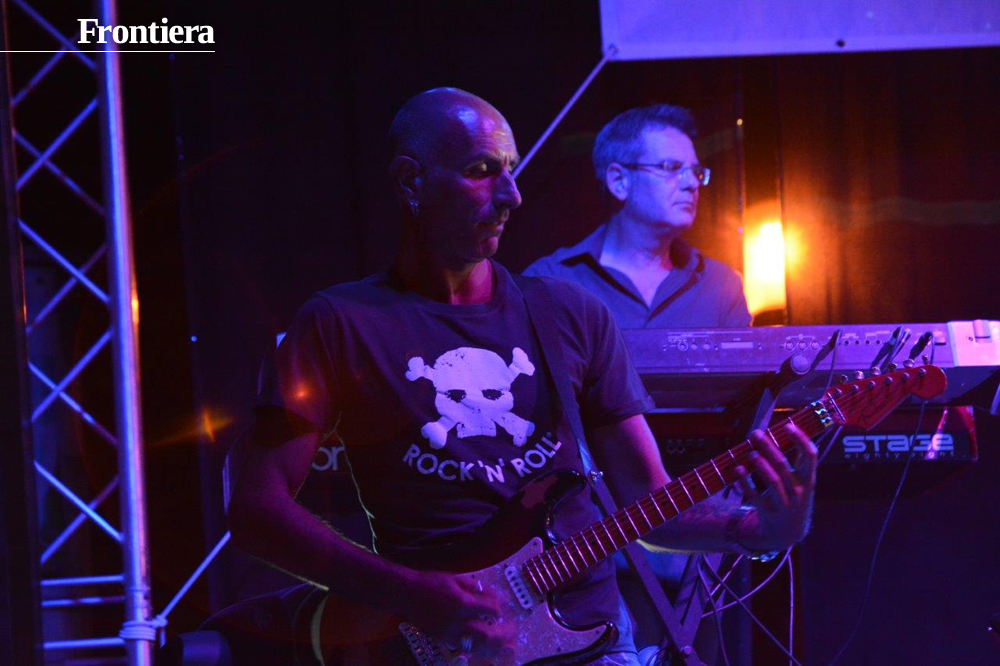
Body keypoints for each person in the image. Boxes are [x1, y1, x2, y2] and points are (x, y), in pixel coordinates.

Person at [228, 89, 817, 665]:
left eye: (510, 169)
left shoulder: (569, 314)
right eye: (482, 171)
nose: (511, 194)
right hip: (442, 646)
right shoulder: (341, 323)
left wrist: (756, 530)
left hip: (590, 641)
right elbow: (256, 510)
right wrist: (412, 594)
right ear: (411, 181)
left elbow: (648, 500)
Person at [524, 104, 751, 328]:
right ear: (619, 182)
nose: (692, 183)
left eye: (695, 172)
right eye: (671, 167)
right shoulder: (550, 283)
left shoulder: (720, 286)